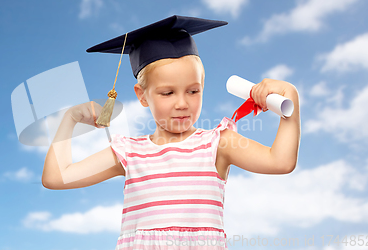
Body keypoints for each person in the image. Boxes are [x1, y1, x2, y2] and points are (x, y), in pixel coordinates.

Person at [42, 15, 301, 250]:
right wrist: (70, 119)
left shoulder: (217, 143)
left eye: (193, 90)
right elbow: (57, 178)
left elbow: (281, 161)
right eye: (167, 93)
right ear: (142, 96)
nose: (182, 103)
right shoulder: (130, 153)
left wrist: (290, 97)